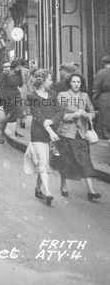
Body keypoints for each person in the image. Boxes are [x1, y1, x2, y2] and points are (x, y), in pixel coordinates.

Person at [56, 73, 100, 201]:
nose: (76, 84)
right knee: (65, 161)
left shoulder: (84, 96)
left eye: (78, 82)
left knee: (85, 161)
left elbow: (92, 112)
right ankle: (63, 185)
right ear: (70, 83)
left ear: (81, 84)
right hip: (66, 133)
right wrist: (74, 115)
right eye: (74, 82)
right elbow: (59, 115)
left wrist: (87, 115)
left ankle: (91, 190)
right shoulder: (62, 96)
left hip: (81, 134)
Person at [23, 69, 60, 207]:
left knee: (44, 162)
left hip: (51, 133)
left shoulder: (53, 94)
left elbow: (59, 112)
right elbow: (37, 115)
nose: (52, 82)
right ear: (43, 82)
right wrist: (50, 129)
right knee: (43, 161)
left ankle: (38, 189)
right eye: (50, 79)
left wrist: (52, 121)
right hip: (39, 133)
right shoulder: (31, 96)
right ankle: (48, 192)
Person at [0, 59, 24, 144]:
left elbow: (20, 84)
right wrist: (1, 98)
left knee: (19, 111)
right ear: (15, 66)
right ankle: (2, 133)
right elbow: (1, 86)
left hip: (16, 94)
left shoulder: (18, 74)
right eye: (19, 66)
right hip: (7, 95)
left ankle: (15, 130)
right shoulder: (5, 74)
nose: (19, 68)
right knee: (7, 115)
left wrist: (20, 74)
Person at [93, 55, 110, 146]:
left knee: (105, 118)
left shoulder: (101, 73)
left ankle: (107, 135)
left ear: (104, 63)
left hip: (105, 98)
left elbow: (96, 88)